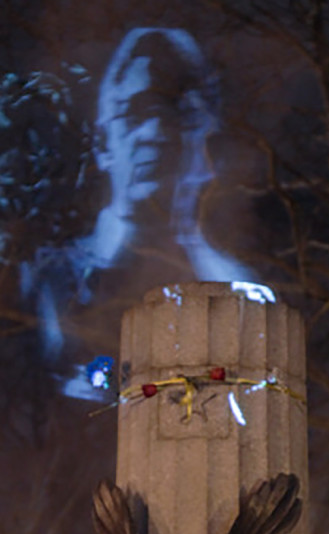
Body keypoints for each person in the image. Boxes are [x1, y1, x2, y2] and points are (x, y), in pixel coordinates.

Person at [30, 28, 255, 387]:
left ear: (202, 134)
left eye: (175, 113)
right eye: (135, 113)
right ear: (103, 143)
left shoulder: (242, 289)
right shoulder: (50, 283)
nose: (154, 131)